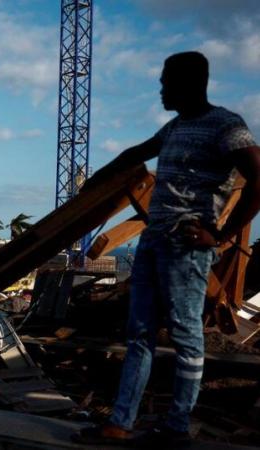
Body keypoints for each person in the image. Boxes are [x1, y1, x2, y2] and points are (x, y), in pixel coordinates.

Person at [75, 51, 260, 446]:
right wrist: (94, 182)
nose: (160, 89)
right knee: (139, 332)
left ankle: (176, 428)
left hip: (186, 247)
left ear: (190, 83)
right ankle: (120, 423)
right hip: (154, 240)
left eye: (165, 82)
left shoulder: (226, 125)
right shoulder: (175, 127)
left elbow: (259, 175)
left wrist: (221, 235)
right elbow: (134, 154)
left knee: (185, 334)